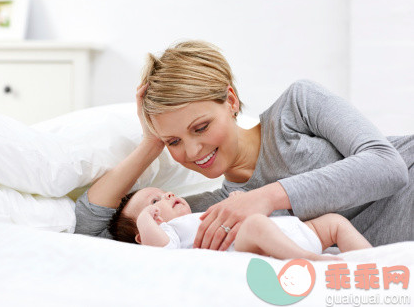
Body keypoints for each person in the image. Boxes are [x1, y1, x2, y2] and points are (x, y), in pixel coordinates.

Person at [74, 40, 413, 250]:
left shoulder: (296, 107)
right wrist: (151, 141)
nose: (192, 152)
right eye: (174, 141)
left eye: (201, 127)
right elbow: (92, 230)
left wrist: (264, 197)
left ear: (231, 100)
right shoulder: (214, 210)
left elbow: (387, 166)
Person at [107, 188, 371, 261]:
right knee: (255, 224)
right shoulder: (169, 235)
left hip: (291, 231)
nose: (167, 196)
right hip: (252, 247)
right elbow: (158, 249)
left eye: (166, 192)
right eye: (155, 201)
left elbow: (238, 212)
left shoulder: (201, 211)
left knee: (334, 223)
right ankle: (309, 260)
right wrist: (144, 219)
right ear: (142, 236)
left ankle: (374, 260)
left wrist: (238, 200)